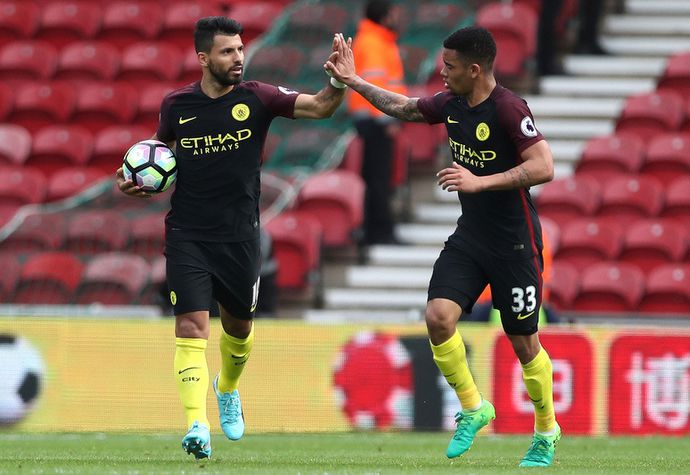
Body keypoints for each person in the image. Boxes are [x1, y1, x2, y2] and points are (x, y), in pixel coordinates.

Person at [116, 17, 349, 460]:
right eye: (227, 52)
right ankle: (196, 425)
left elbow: (321, 108)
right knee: (190, 326)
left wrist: (337, 82)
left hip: (241, 238)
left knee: (239, 329)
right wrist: (135, 176)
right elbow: (155, 154)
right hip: (187, 234)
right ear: (204, 58)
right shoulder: (176, 105)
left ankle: (228, 388)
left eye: (240, 49)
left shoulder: (258, 97)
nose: (238, 58)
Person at [326, 27, 561, 467]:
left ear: (475, 70)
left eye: (449, 66)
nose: (441, 71)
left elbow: (544, 165)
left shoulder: (509, 109)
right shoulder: (451, 104)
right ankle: (474, 408)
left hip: (515, 242)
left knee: (524, 343)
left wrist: (480, 181)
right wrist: (354, 81)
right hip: (471, 237)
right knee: (438, 317)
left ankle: (546, 430)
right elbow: (405, 107)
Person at [347, 0, 407, 245]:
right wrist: (387, 120)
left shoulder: (378, 40)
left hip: (374, 121)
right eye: (393, 14)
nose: (397, 17)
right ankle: (379, 232)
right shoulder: (373, 42)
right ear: (384, 16)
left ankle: (378, 231)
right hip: (375, 123)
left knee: (378, 179)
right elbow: (375, 88)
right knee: (378, 180)